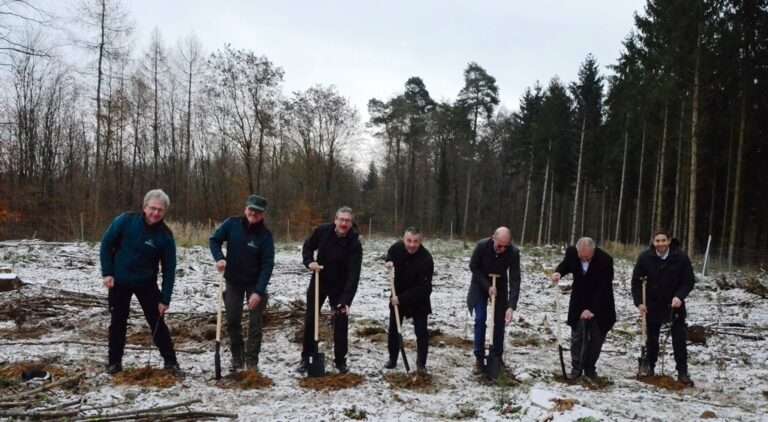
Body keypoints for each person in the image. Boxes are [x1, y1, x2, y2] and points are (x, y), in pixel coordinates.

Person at [99, 189, 179, 375]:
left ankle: (171, 361)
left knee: (157, 321)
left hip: (147, 284)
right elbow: (106, 244)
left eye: (160, 210)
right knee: (118, 321)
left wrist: (165, 299)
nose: (156, 213)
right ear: (145, 207)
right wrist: (107, 273)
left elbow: (169, 270)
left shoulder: (165, 236)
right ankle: (114, 363)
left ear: (164, 212)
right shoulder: (126, 221)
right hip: (119, 281)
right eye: (152, 208)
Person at [209, 194, 275, 372]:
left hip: (255, 284)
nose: (253, 213)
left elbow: (268, 265)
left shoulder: (265, 236)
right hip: (233, 281)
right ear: (246, 208)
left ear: (262, 215)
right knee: (232, 321)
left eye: (258, 212)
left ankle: (252, 361)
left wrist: (259, 292)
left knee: (255, 324)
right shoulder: (232, 224)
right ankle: (237, 358)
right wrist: (220, 258)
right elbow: (214, 240)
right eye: (251, 209)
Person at [297, 206, 363, 374]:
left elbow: (354, 275)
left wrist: (346, 300)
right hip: (320, 279)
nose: (344, 223)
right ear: (335, 220)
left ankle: (340, 360)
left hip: (341, 286)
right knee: (312, 319)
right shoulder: (322, 231)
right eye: (341, 220)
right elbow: (307, 246)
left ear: (351, 223)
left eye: (347, 221)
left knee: (341, 320)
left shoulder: (355, 243)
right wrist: (309, 262)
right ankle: (307, 358)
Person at [632, 229, 695, 386]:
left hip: (674, 304)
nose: (660, 244)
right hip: (652, 304)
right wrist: (639, 302)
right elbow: (636, 282)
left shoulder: (680, 258)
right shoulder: (645, 257)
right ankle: (649, 366)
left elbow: (689, 281)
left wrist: (679, 296)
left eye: (663, 240)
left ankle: (682, 371)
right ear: (653, 242)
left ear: (669, 241)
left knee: (679, 339)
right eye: (657, 241)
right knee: (652, 338)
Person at [551, 237, 616, 379]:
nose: (584, 259)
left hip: (601, 303)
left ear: (594, 251)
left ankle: (589, 368)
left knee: (596, 339)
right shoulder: (572, 253)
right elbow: (566, 265)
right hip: (579, 301)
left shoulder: (605, 260)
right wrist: (558, 273)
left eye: (588, 257)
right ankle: (576, 368)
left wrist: (591, 309)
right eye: (582, 256)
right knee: (577, 336)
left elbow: (603, 288)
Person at [466, 226, 521, 373]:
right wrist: (487, 286)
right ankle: (479, 357)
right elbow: (473, 267)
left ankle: (496, 356)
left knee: (499, 322)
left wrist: (511, 306)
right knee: (480, 318)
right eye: (499, 245)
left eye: (505, 246)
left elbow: (515, 279)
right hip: (480, 283)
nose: (502, 249)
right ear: (493, 238)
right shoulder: (482, 246)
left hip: (500, 286)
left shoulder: (514, 252)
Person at [384, 227, 434, 373]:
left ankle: (421, 364)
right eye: (409, 241)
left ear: (421, 241)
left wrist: (402, 298)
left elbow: (425, 289)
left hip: (419, 300)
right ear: (404, 239)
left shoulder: (426, 259)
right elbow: (389, 256)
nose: (412, 245)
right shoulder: (396, 248)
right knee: (394, 328)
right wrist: (388, 262)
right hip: (397, 295)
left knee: (421, 332)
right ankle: (392, 359)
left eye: (415, 241)